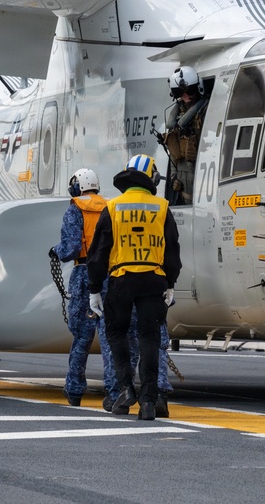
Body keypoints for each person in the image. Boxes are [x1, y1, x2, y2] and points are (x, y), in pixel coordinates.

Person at [87, 154, 181, 421]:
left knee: (116, 333)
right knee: (149, 338)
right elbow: (172, 249)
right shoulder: (162, 207)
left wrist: (94, 289)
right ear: (151, 178)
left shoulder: (113, 206)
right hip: (153, 279)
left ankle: (126, 389)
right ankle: (149, 402)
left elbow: (99, 251)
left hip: (121, 279)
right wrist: (171, 283)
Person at [50, 168, 117, 408]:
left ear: (77, 185)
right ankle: (114, 390)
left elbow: (70, 248)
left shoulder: (75, 208)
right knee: (110, 336)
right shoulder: (112, 207)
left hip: (83, 274)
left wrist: (55, 250)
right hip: (111, 274)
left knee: (82, 336)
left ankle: (75, 388)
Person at [162, 66, 208, 205]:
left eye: (190, 91)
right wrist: (174, 175)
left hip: (201, 172)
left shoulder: (206, 110)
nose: (187, 95)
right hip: (183, 176)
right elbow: (173, 151)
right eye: (181, 92)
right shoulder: (177, 116)